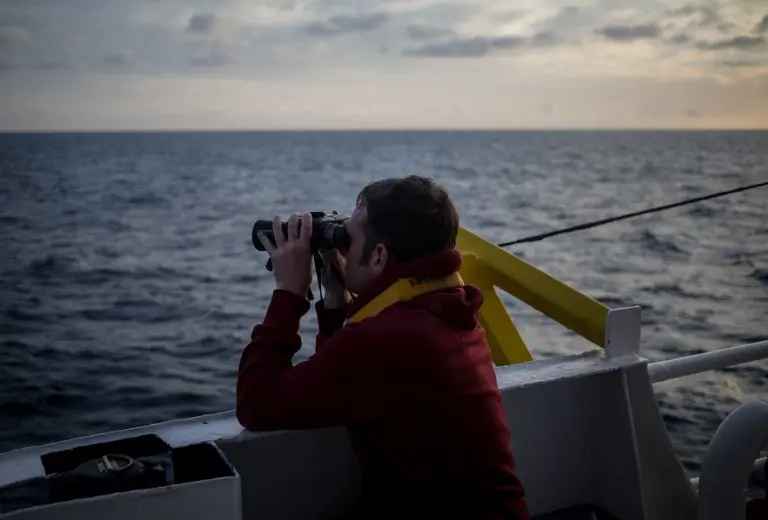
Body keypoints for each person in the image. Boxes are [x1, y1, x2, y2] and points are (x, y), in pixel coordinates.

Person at [236, 175, 530, 519]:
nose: (342, 244)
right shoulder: (450, 309)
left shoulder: (389, 339)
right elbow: (343, 384)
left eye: (350, 235)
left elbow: (256, 402)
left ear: (378, 256)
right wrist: (335, 297)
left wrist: (289, 291)